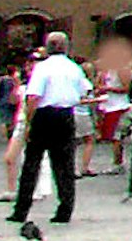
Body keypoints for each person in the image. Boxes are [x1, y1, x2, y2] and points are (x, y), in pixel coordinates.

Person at [11, 35, 90, 229]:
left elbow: (33, 97)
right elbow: (84, 91)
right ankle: (65, 209)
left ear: (48, 48)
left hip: (44, 115)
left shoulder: (43, 68)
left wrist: (28, 123)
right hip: (65, 115)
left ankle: (22, 209)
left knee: (32, 163)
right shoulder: (74, 68)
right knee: (64, 164)